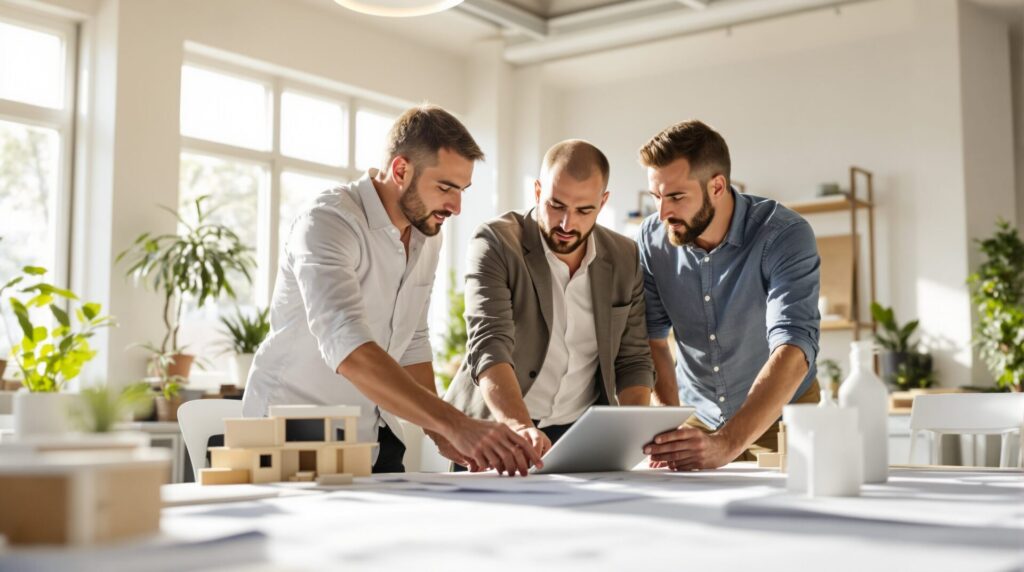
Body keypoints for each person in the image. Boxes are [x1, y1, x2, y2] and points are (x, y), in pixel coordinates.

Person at [242, 105, 541, 476]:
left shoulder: (427, 236)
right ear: (401, 170)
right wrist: (456, 424)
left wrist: (439, 433)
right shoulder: (328, 222)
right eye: (446, 187)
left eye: (462, 190)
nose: (457, 206)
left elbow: (412, 341)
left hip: (368, 436)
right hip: (288, 433)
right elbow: (348, 346)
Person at [444, 139, 655, 461]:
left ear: (603, 202)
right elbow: (490, 345)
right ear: (539, 191)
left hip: (579, 432)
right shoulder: (496, 242)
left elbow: (633, 360)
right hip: (498, 428)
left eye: (584, 210)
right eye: (556, 205)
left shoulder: (624, 257)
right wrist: (518, 425)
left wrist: (636, 433)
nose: (567, 224)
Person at [635, 120, 821, 470]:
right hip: (698, 415)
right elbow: (653, 341)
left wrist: (728, 442)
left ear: (717, 186)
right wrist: (667, 427)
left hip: (782, 415)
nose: (662, 213)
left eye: (675, 197)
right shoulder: (651, 240)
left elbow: (794, 348)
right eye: (655, 197)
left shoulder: (784, 235)